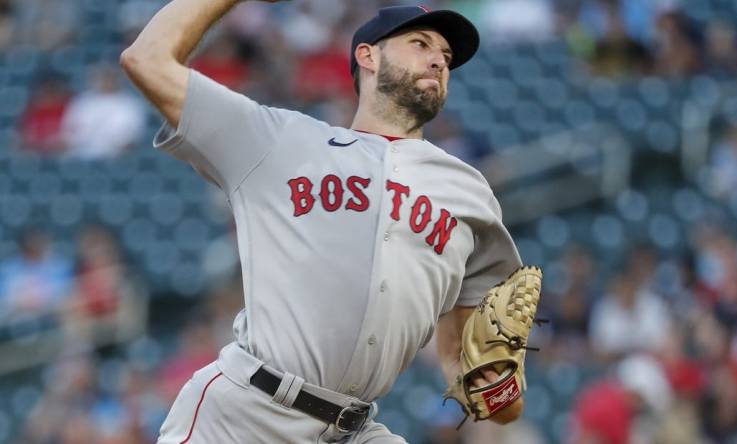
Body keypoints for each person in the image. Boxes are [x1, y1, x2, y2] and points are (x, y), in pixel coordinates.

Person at [121, 2, 524, 442]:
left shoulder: (470, 192)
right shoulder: (279, 139)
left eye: (446, 57)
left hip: (353, 428)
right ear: (367, 56)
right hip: (247, 414)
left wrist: (494, 390)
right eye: (420, 44)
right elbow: (147, 59)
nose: (437, 60)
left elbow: (466, 358)